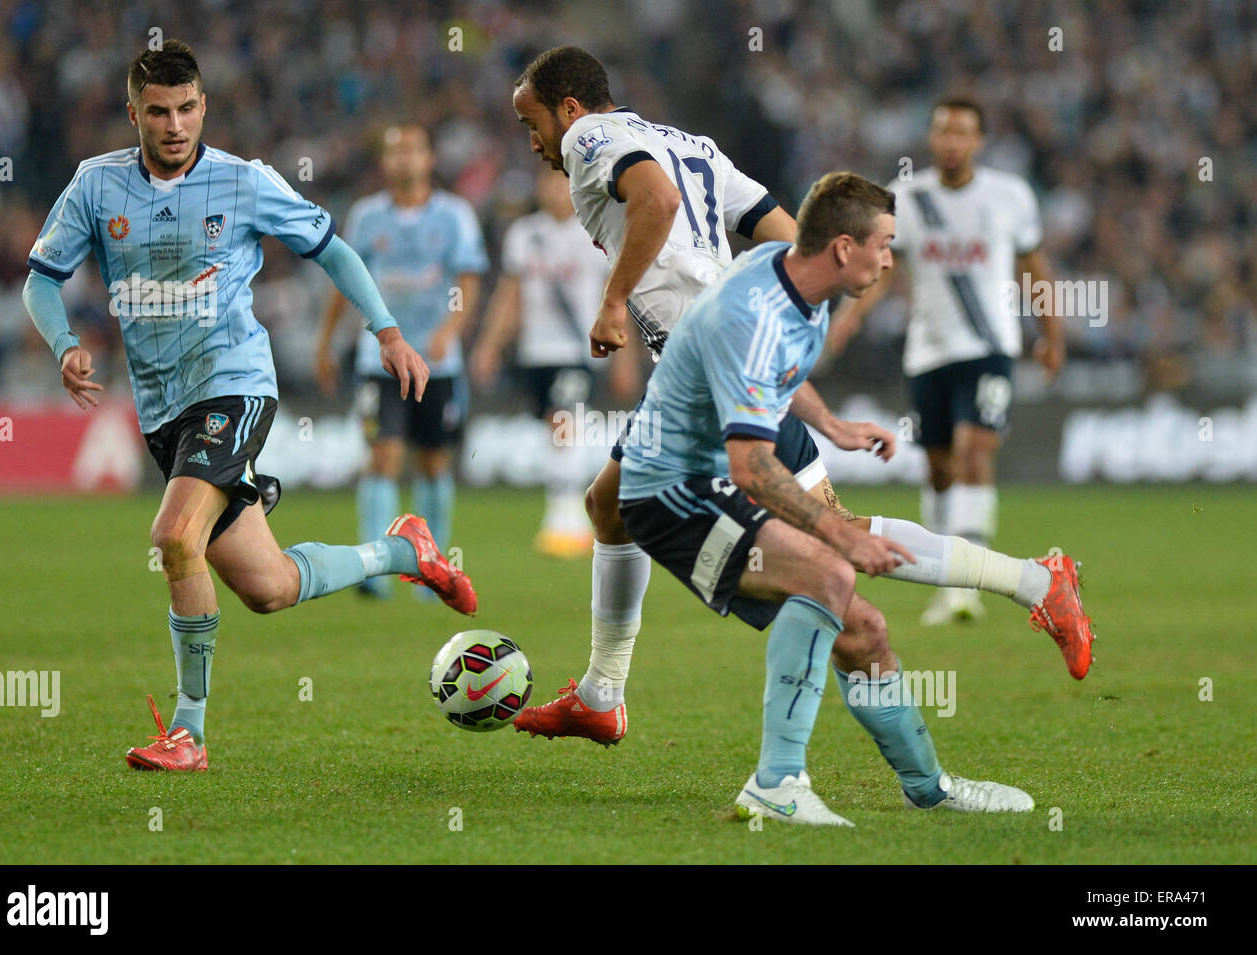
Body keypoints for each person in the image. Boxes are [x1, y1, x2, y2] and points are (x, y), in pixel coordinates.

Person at [508, 49, 1093, 748]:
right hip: (715, 352)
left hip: (714, 360)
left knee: (817, 535)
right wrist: (802, 292)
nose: (534, 139)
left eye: (532, 121)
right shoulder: (689, 143)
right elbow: (775, 223)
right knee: (610, 505)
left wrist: (612, 304)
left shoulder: (588, 138)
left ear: (569, 108)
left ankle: (1033, 582)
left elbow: (658, 203)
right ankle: (602, 694)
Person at [22, 40, 476, 772]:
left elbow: (331, 249)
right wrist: (64, 343)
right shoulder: (95, 187)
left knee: (174, 535)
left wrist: (387, 331)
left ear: (205, 107)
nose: (175, 125)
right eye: (160, 112)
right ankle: (404, 550)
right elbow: (41, 279)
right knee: (268, 588)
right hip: (162, 409)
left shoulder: (243, 182)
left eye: (188, 109)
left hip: (234, 383)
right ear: (133, 112)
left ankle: (188, 731)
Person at [619, 172, 1037, 824]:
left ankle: (930, 787)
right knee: (829, 572)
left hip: (712, 483)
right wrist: (840, 533)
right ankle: (776, 784)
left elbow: (774, 379)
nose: (893, 258)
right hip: (670, 493)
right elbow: (752, 464)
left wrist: (831, 425)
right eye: (886, 244)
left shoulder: (789, 276)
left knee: (865, 630)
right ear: (844, 247)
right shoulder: (750, 314)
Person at [828, 97, 1066, 626]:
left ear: (979, 141)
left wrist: (1051, 334)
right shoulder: (909, 198)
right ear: (931, 139)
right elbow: (884, 267)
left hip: (990, 348)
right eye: (942, 132)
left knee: (974, 453)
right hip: (929, 352)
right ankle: (946, 577)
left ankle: (968, 591)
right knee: (938, 469)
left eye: (962, 133)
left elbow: (1034, 268)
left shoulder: (1009, 196)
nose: (951, 142)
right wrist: (851, 315)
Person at [315, 124, 488, 599]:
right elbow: (344, 279)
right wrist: (327, 341)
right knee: (382, 456)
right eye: (394, 153)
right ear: (385, 162)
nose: (404, 160)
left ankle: (430, 574)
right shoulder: (367, 216)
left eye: (412, 150)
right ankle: (375, 568)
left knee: (433, 463)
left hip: (438, 364)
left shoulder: (454, 215)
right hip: (381, 363)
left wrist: (449, 332)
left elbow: (469, 280)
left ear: (430, 158)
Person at [470, 168, 629, 557]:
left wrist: (626, 359)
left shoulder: (595, 233)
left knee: (564, 421)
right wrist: (489, 345)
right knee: (555, 428)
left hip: (579, 350)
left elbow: (622, 295)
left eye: (561, 182)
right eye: (547, 182)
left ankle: (566, 520)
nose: (554, 190)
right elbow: (510, 295)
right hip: (535, 351)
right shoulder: (524, 234)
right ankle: (565, 513)